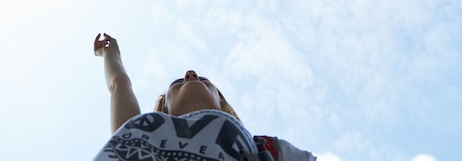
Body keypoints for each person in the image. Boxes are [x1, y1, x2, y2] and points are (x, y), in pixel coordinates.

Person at [92, 33, 316, 161]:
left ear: (222, 103)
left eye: (203, 79)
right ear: (164, 109)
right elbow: (119, 84)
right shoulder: (140, 133)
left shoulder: (263, 147)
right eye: (177, 82)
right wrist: (111, 52)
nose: (190, 75)